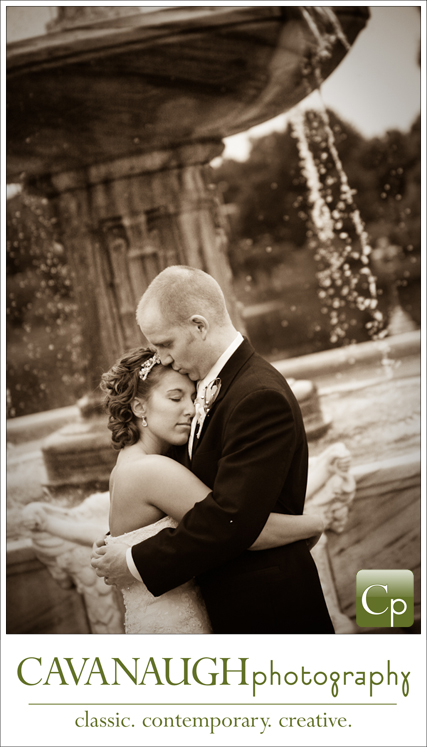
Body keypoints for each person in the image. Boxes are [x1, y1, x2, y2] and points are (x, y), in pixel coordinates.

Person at [92, 265, 335, 634]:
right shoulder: (209, 390)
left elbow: (231, 521)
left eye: (166, 344)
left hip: (271, 612)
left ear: (199, 326)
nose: (163, 358)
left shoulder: (257, 396)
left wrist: (132, 561)